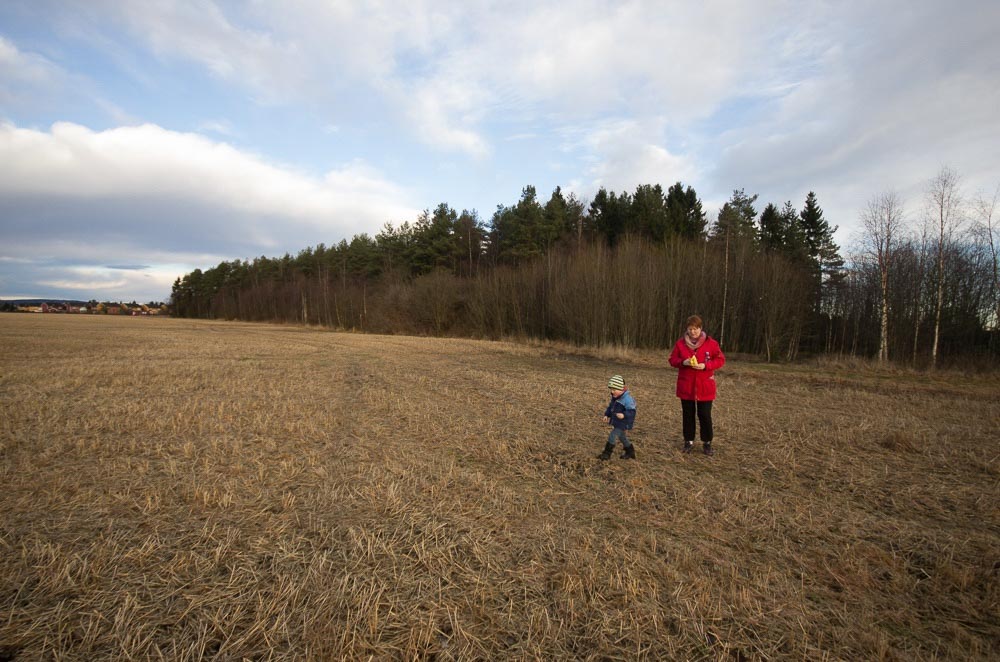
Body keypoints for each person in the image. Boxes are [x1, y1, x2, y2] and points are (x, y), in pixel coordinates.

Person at [668, 315, 725, 455]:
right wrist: (683, 362)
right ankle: (688, 441)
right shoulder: (680, 344)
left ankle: (707, 442)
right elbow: (672, 359)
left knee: (705, 414)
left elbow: (720, 360)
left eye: (696, 329)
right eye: (690, 329)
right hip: (686, 386)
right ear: (687, 329)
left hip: (705, 386)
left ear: (701, 328)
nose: (693, 332)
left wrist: (706, 365)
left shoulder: (711, 344)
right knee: (688, 415)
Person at [599, 374, 637, 460]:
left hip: (624, 423)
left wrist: (624, 415)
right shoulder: (615, 397)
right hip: (617, 421)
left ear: (621, 389)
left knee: (613, 435)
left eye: (614, 389)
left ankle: (606, 454)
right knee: (622, 437)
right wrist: (606, 415)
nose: (612, 392)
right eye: (611, 389)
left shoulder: (627, 399)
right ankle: (630, 452)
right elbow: (611, 407)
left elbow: (632, 411)